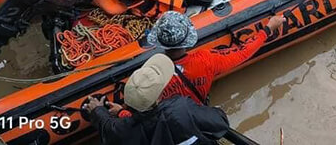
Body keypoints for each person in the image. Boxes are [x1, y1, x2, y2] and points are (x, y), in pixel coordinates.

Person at [84, 53, 230, 145]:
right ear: (159, 96)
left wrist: (97, 110)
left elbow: (109, 127)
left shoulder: (123, 130)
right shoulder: (182, 108)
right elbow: (220, 123)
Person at [145, 11, 285, 105]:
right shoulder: (206, 60)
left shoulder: (148, 73)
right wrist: (268, 29)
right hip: (196, 112)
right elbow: (243, 53)